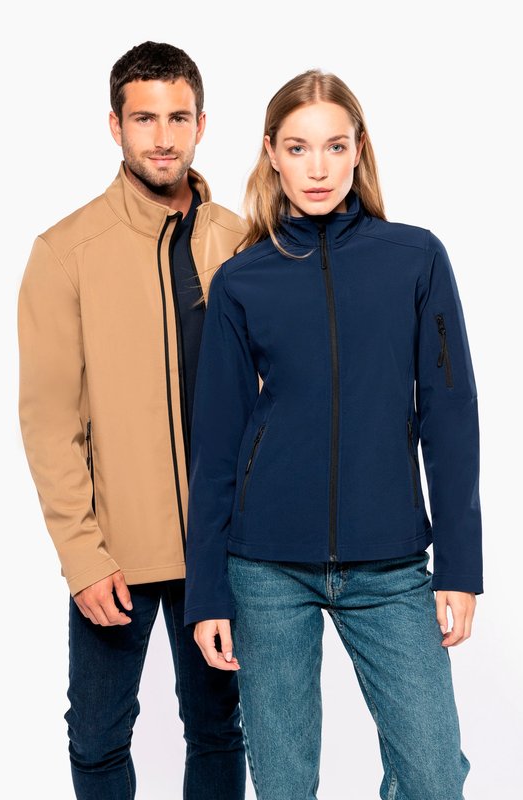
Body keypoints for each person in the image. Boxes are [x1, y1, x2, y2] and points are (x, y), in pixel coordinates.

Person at [184, 69, 482, 800]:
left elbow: (450, 414)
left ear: (358, 150)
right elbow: (215, 445)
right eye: (297, 148)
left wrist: (460, 564)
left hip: (390, 562)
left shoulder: (415, 259)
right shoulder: (242, 281)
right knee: (284, 785)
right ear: (271, 154)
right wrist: (206, 592)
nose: (316, 168)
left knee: (433, 776)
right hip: (265, 567)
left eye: (334, 146)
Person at [18, 41, 246, 800]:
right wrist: (83, 556)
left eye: (178, 117)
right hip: (117, 552)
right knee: (96, 738)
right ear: (114, 125)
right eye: (144, 118)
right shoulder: (65, 253)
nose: (163, 137)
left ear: (201, 124)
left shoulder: (241, 242)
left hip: (223, 547)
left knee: (218, 730)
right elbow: (49, 422)